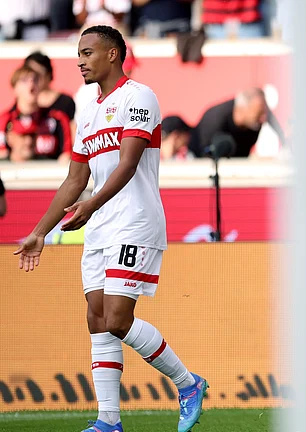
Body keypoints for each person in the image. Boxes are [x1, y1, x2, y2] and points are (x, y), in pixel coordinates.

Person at [13, 25, 208, 432]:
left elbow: (128, 164)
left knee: (118, 319)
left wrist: (91, 205)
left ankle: (188, 383)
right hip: (100, 226)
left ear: (113, 54)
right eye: (78, 54)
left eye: (88, 52)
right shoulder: (87, 110)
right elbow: (75, 179)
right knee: (97, 318)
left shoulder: (139, 97)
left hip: (133, 222)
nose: (80, 61)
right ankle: (108, 421)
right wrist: (40, 231)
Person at [0, 65, 73, 162]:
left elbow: (66, 155)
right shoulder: (4, 120)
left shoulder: (58, 118)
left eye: (35, 80)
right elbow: (2, 156)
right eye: (24, 80)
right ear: (14, 88)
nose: (31, 83)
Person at [188, 88, 287, 158]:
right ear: (242, 109)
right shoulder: (215, 120)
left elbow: (270, 119)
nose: (263, 119)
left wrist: (286, 142)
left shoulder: (254, 123)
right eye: (258, 114)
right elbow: (205, 158)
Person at [24, 51, 77, 122]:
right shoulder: (24, 102)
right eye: (29, 75)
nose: (33, 79)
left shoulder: (65, 102)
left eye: (38, 74)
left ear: (48, 74)